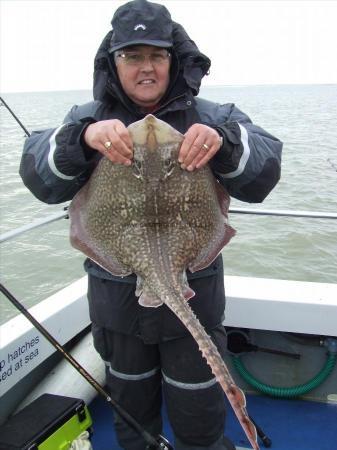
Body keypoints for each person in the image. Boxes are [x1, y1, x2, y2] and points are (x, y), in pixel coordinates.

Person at [19, 1, 282, 449]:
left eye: (156, 56)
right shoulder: (86, 119)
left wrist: (226, 144)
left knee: (200, 419)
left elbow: (265, 169)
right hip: (117, 307)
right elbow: (38, 172)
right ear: (113, 61)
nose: (146, 68)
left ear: (173, 60)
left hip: (193, 293)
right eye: (132, 56)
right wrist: (79, 140)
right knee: (133, 422)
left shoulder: (213, 116)